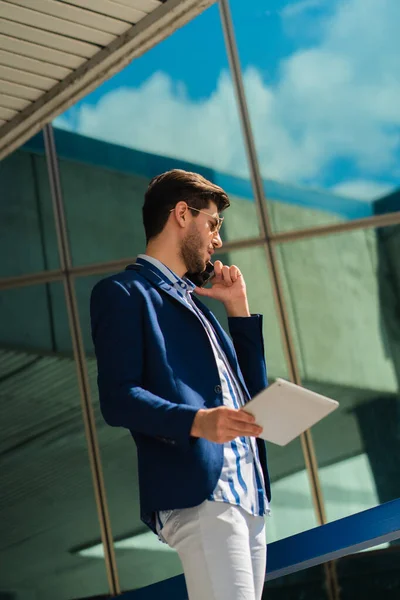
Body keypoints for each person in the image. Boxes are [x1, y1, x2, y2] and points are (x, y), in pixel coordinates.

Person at [90, 169, 271, 600]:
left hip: (250, 497)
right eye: (213, 224)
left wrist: (239, 313)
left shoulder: (200, 306)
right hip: (202, 492)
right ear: (182, 215)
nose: (218, 241)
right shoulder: (125, 293)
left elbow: (252, 402)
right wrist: (198, 422)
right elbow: (118, 399)